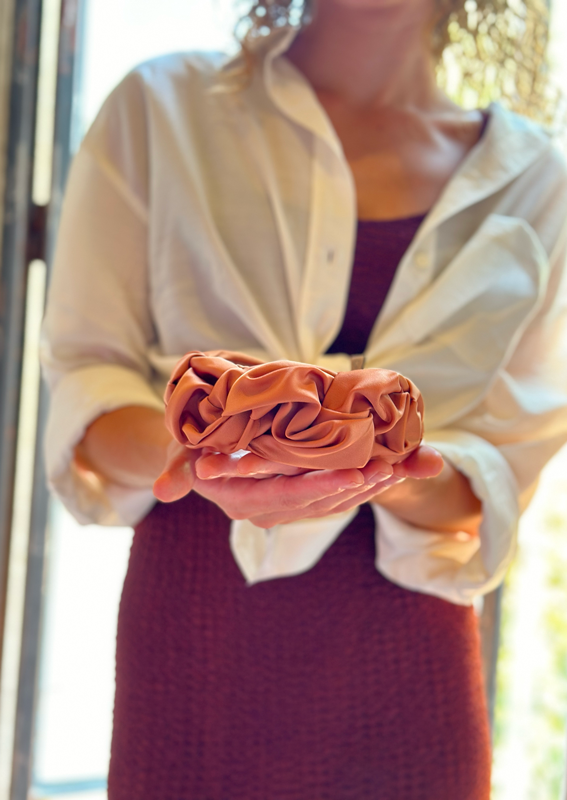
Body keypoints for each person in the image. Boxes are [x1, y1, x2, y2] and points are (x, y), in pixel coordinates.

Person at [41, 0, 567, 797]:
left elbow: (491, 484)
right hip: (197, 655)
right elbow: (86, 384)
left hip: (407, 684)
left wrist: (376, 467)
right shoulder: (159, 109)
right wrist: (204, 454)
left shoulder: (539, 185)